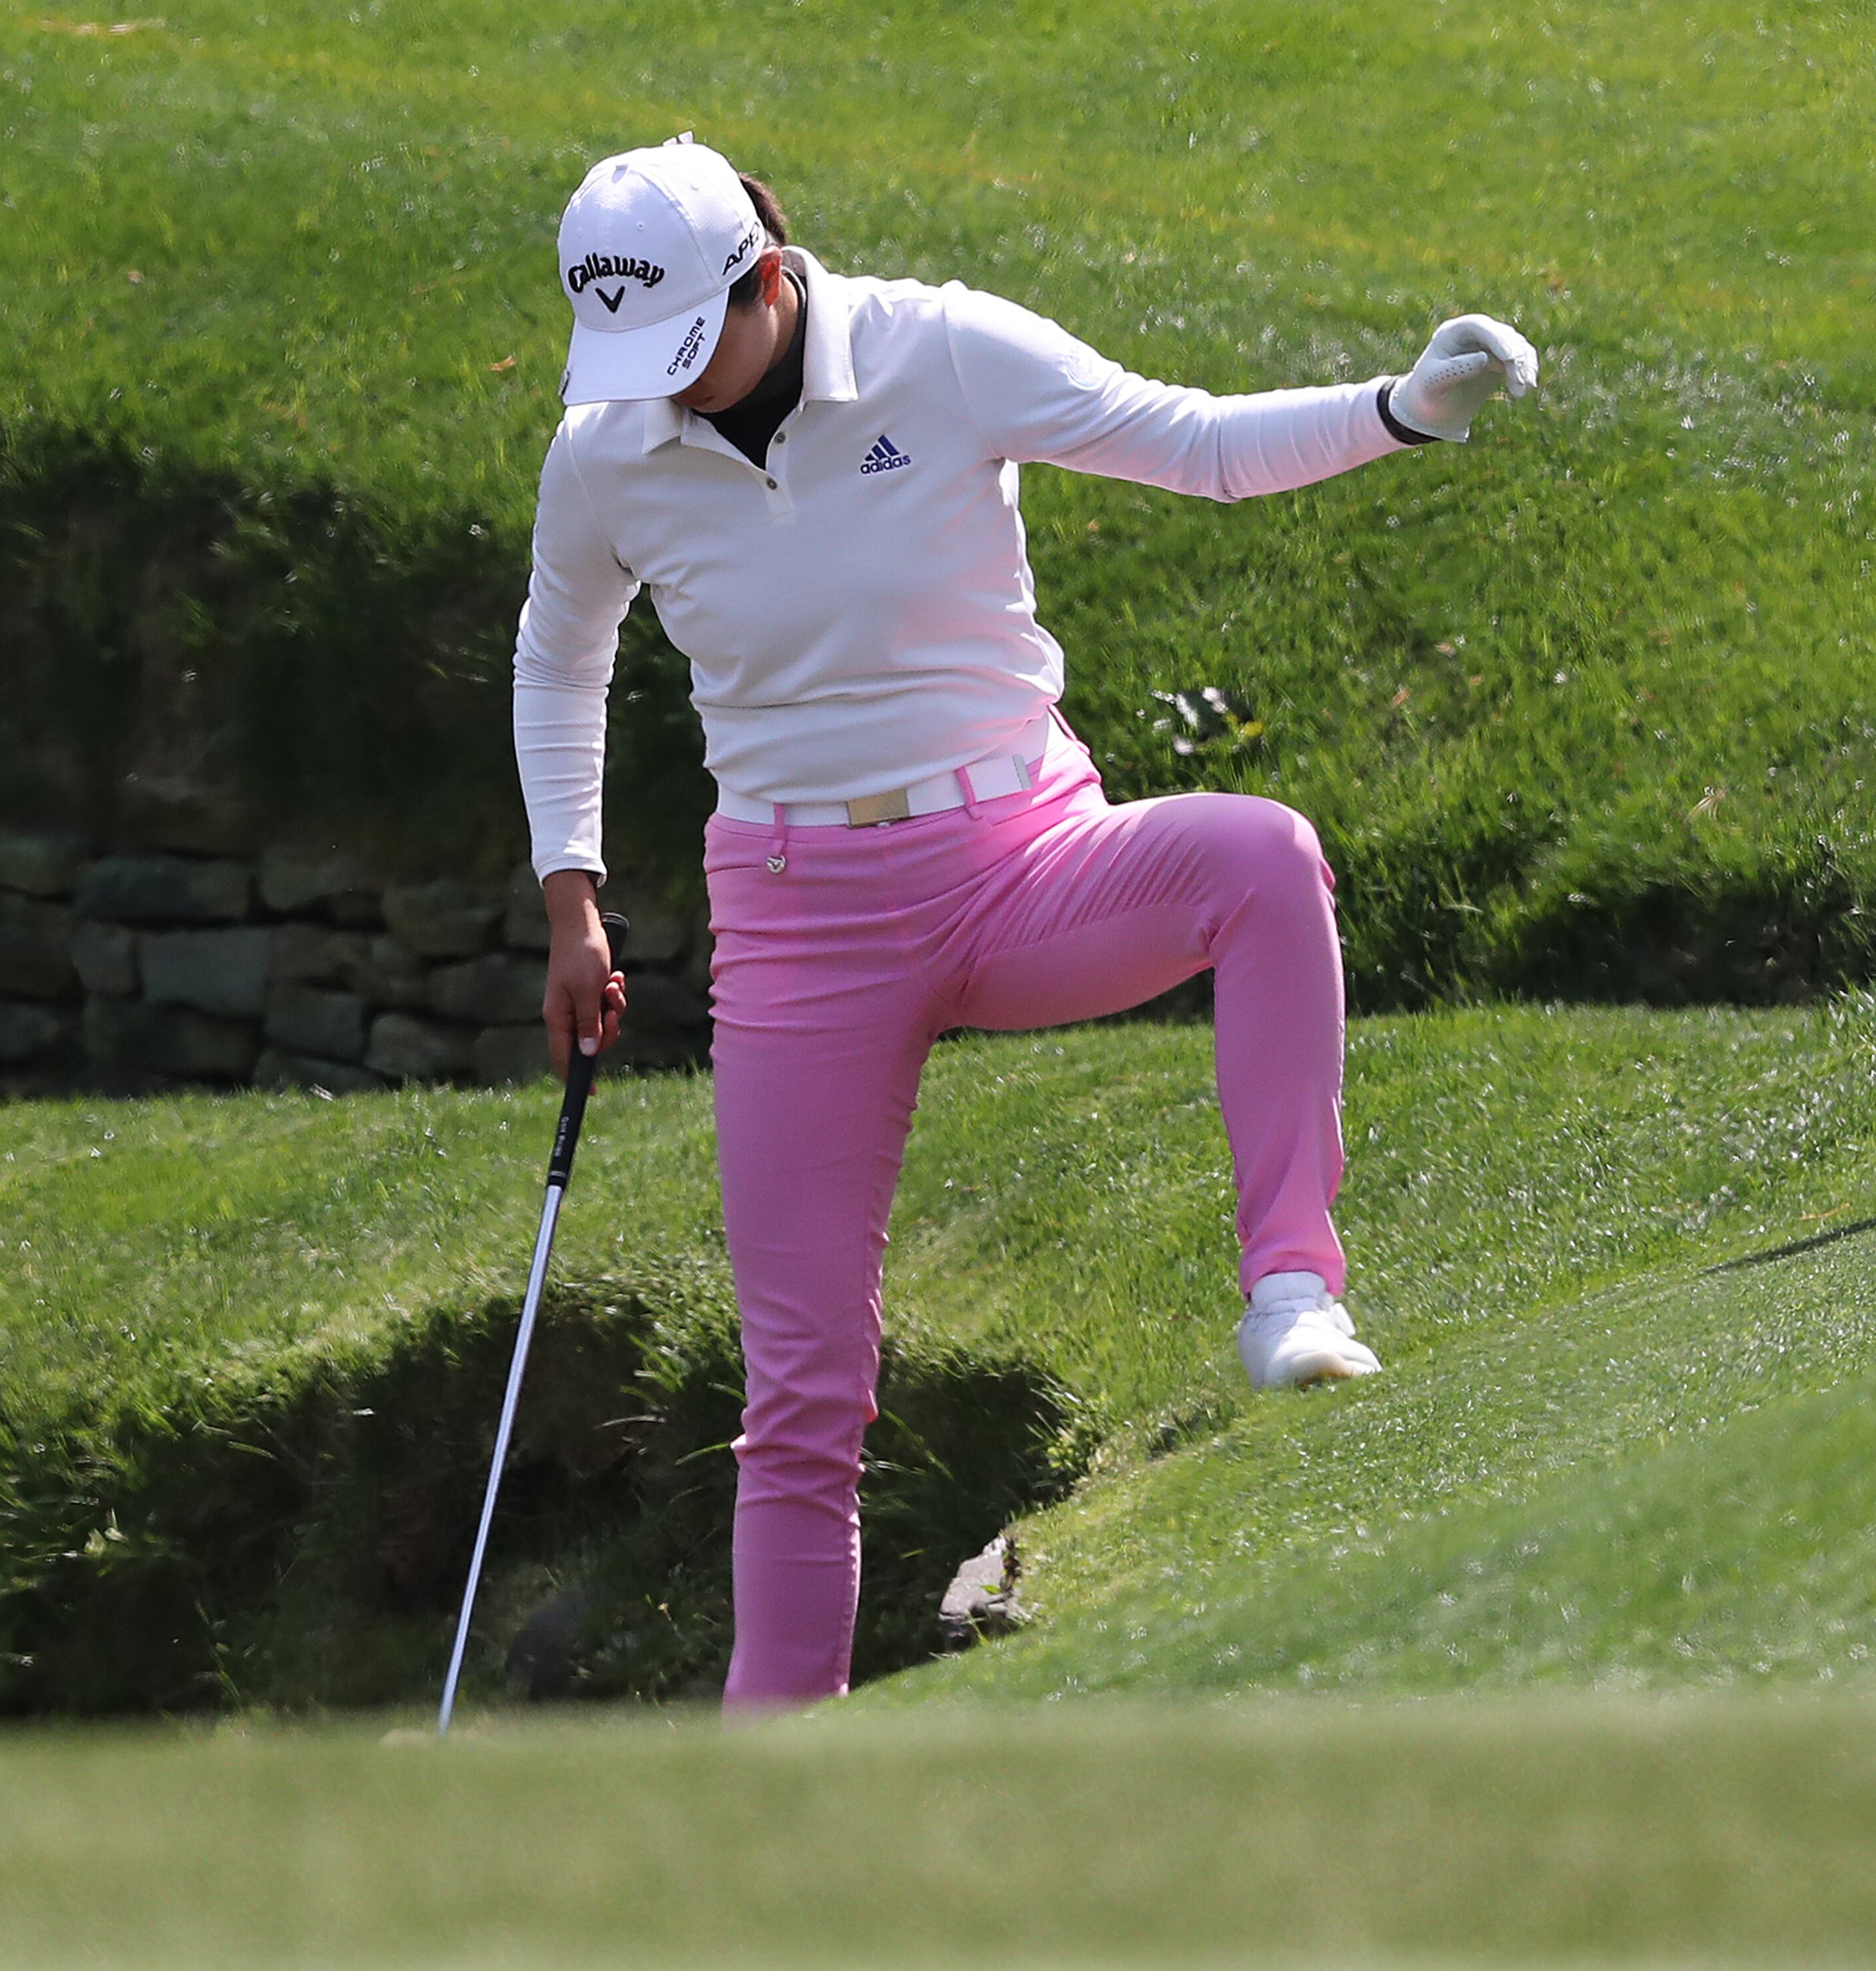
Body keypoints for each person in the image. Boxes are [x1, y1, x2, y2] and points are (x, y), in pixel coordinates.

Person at [510, 134, 1538, 1712]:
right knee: (801, 1397)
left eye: (694, 346)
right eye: (641, 361)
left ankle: (1292, 1290)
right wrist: (572, 897)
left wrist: (1398, 410)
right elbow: (560, 654)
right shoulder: (606, 454)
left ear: (770, 279)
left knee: (1263, 860)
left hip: (1020, 864)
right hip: (798, 928)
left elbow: (1190, 442)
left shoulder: (940, 349)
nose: (676, 388)